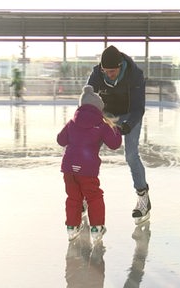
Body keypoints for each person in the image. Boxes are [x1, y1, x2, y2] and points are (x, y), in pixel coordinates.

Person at [86, 45, 151, 225]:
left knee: (131, 155)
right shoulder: (97, 73)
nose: (109, 74)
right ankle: (85, 194)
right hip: (106, 115)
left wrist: (128, 125)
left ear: (120, 66)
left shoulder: (135, 75)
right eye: (106, 71)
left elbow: (139, 108)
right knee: (88, 151)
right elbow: (87, 98)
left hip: (130, 114)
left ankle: (143, 197)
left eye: (112, 71)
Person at [57, 85, 122, 242]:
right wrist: (117, 130)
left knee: (73, 197)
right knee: (94, 197)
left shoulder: (72, 122)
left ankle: (71, 228)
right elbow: (114, 144)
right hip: (87, 170)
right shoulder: (101, 125)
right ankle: (96, 227)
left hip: (68, 169)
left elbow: (61, 140)